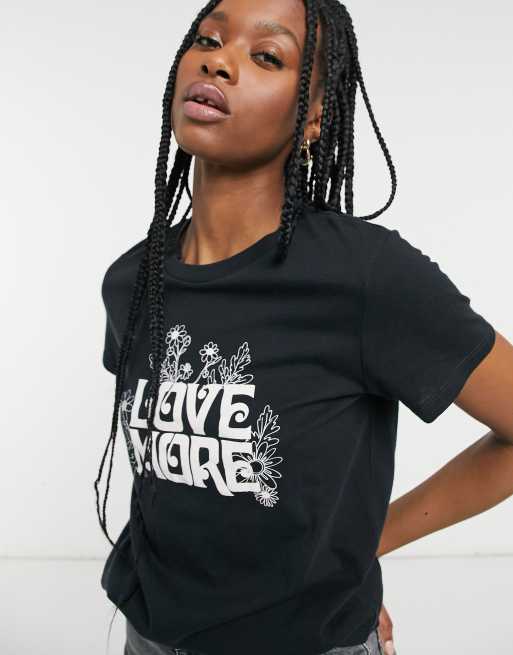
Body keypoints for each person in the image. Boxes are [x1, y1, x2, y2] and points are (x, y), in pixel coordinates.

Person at [95, 1, 513, 654]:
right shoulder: (131, 280)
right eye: (207, 39)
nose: (218, 61)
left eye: (266, 55)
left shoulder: (364, 276)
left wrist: (365, 544)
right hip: (147, 635)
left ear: (313, 117)